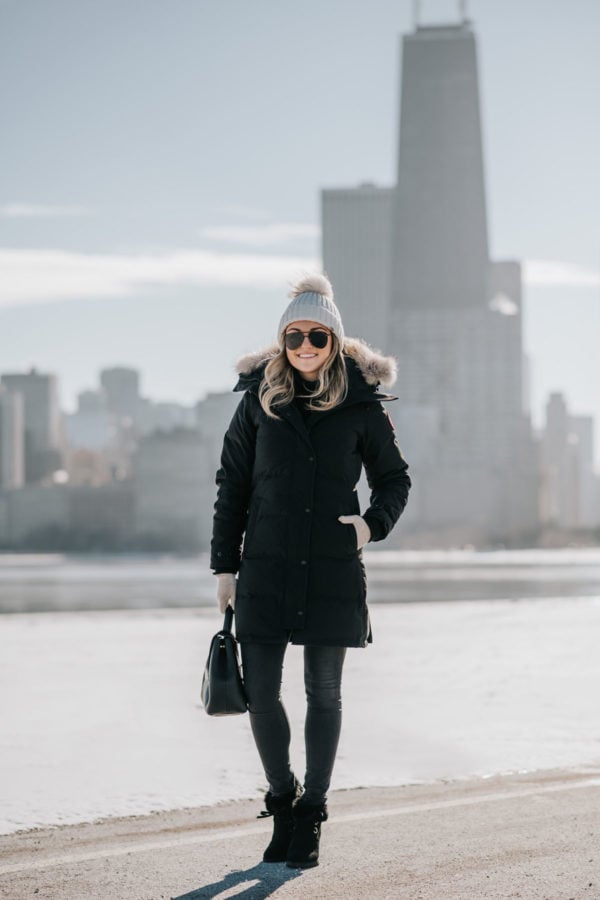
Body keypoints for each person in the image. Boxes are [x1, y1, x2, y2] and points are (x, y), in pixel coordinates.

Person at [210, 272, 411, 868]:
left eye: (316, 337)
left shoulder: (361, 406)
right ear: (281, 341)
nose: (303, 347)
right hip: (265, 569)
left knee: (324, 694)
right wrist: (225, 567)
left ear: (334, 341)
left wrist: (371, 525)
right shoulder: (256, 405)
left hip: (330, 569)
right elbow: (232, 487)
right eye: (293, 336)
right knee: (263, 695)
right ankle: (281, 801)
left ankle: (313, 814)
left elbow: (395, 478)